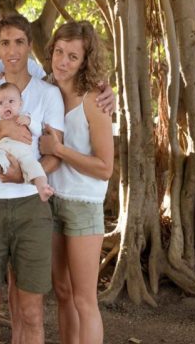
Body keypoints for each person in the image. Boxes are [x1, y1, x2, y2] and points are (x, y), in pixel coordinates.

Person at [0, 15, 65, 344]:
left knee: (31, 312)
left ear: (29, 46)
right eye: (5, 43)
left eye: (19, 42)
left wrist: (23, 175)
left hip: (31, 208)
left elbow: (55, 154)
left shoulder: (48, 94)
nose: (11, 50)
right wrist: (5, 128)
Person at [39, 21, 114, 344]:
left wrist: (59, 150)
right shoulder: (47, 90)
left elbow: (105, 168)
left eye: (73, 56)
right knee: (62, 290)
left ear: (85, 61)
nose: (63, 62)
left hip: (84, 206)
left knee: (85, 299)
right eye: (59, 52)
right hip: (52, 200)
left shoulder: (95, 101)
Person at [0, 82, 54, 201]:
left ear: (20, 104)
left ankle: (42, 188)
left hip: (24, 153)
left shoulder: (24, 116)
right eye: (1, 103)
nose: (6, 106)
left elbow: (38, 131)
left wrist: (29, 122)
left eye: (11, 101)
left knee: (35, 167)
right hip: (2, 150)